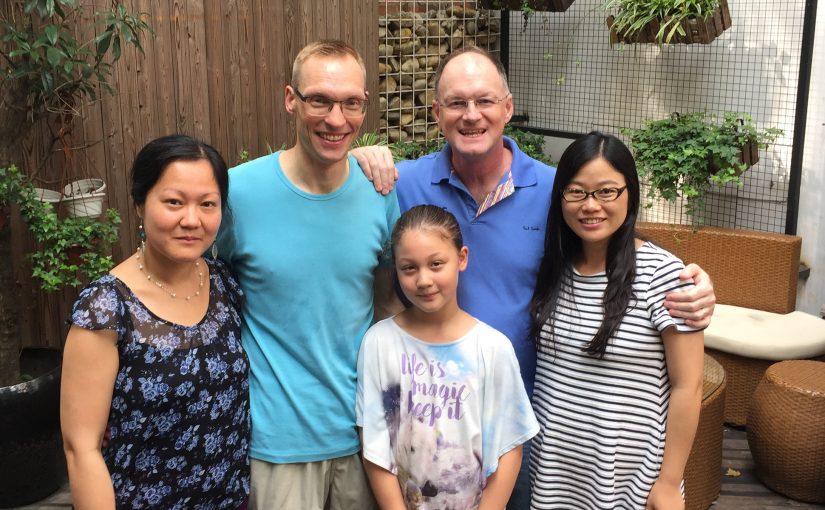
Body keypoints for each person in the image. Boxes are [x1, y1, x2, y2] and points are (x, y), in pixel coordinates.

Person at [352, 45, 716, 509]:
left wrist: (694, 285)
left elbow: (609, 233)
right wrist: (363, 156)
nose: (472, 115)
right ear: (437, 112)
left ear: (507, 107)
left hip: (522, 429)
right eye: (457, 103)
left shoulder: (554, 190)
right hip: (432, 421)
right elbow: (345, 209)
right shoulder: (400, 184)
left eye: (484, 101)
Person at [215, 40, 400, 510]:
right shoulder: (238, 193)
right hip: (278, 441)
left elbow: (388, 303)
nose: (336, 119)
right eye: (319, 99)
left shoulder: (380, 191)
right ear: (290, 99)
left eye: (350, 103)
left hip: (364, 435)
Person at [60, 134, 249, 509]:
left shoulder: (224, 282)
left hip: (231, 498)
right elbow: (81, 449)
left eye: (207, 204)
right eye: (174, 202)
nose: (191, 219)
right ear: (140, 205)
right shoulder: (106, 309)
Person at [529, 132, 704, 509]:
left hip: (628, 481)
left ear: (631, 194)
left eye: (606, 191)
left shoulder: (662, 274)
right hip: (554, 475)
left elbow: (688, 386)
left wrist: (670, 482)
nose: (591, 205)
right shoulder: (554, 268)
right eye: (576, 192)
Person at [357, 204, 539, 509]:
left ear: (462, 258)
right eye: (409, 268)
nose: (424, 279)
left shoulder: (492, 348)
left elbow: (510, 449)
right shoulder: (379, 343)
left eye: (436, 264)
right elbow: (375, 445)